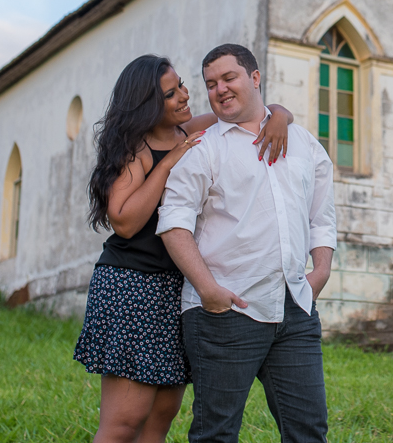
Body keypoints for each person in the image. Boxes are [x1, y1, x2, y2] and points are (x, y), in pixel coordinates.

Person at [74, 53, 295, 443]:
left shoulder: (193, 129)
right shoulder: (136, 148)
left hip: (177, 289)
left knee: (161, 417)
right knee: (125, 421)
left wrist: (279, 115)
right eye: (169, 94)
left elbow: (254, 110)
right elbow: (123, 221)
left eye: (180, 86)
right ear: (146, 105)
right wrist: (168, 163)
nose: (184, 96)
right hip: (133, 286)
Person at [157, 43, 336, 443]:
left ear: (255, 78)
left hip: (294, 310)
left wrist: (320, 270)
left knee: (309, 429)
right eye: (211, 84)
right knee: (216, 434)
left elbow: (321, 215)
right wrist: (208, 290)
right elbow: (173, 223)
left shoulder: (304, 143)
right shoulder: (204, 149)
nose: (219, 89)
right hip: (224, 311)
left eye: (229, 77)